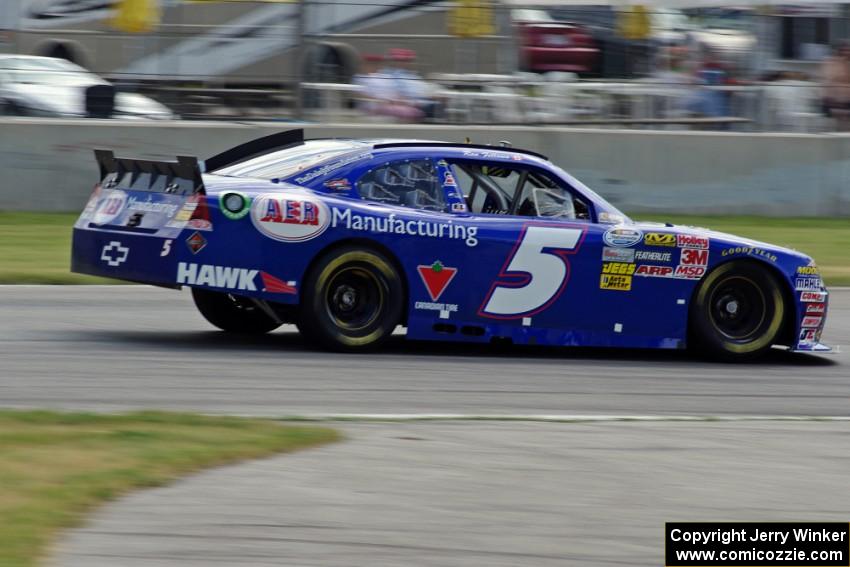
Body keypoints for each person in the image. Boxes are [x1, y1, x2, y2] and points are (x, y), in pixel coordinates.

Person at [820, 42, 850, 130]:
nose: (847, 53)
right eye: (845, 50)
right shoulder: (831, 63)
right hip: (834, 100)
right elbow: (829, 80)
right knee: (837, 126)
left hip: (845, 100)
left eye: (848, 51)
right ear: (839, 51)